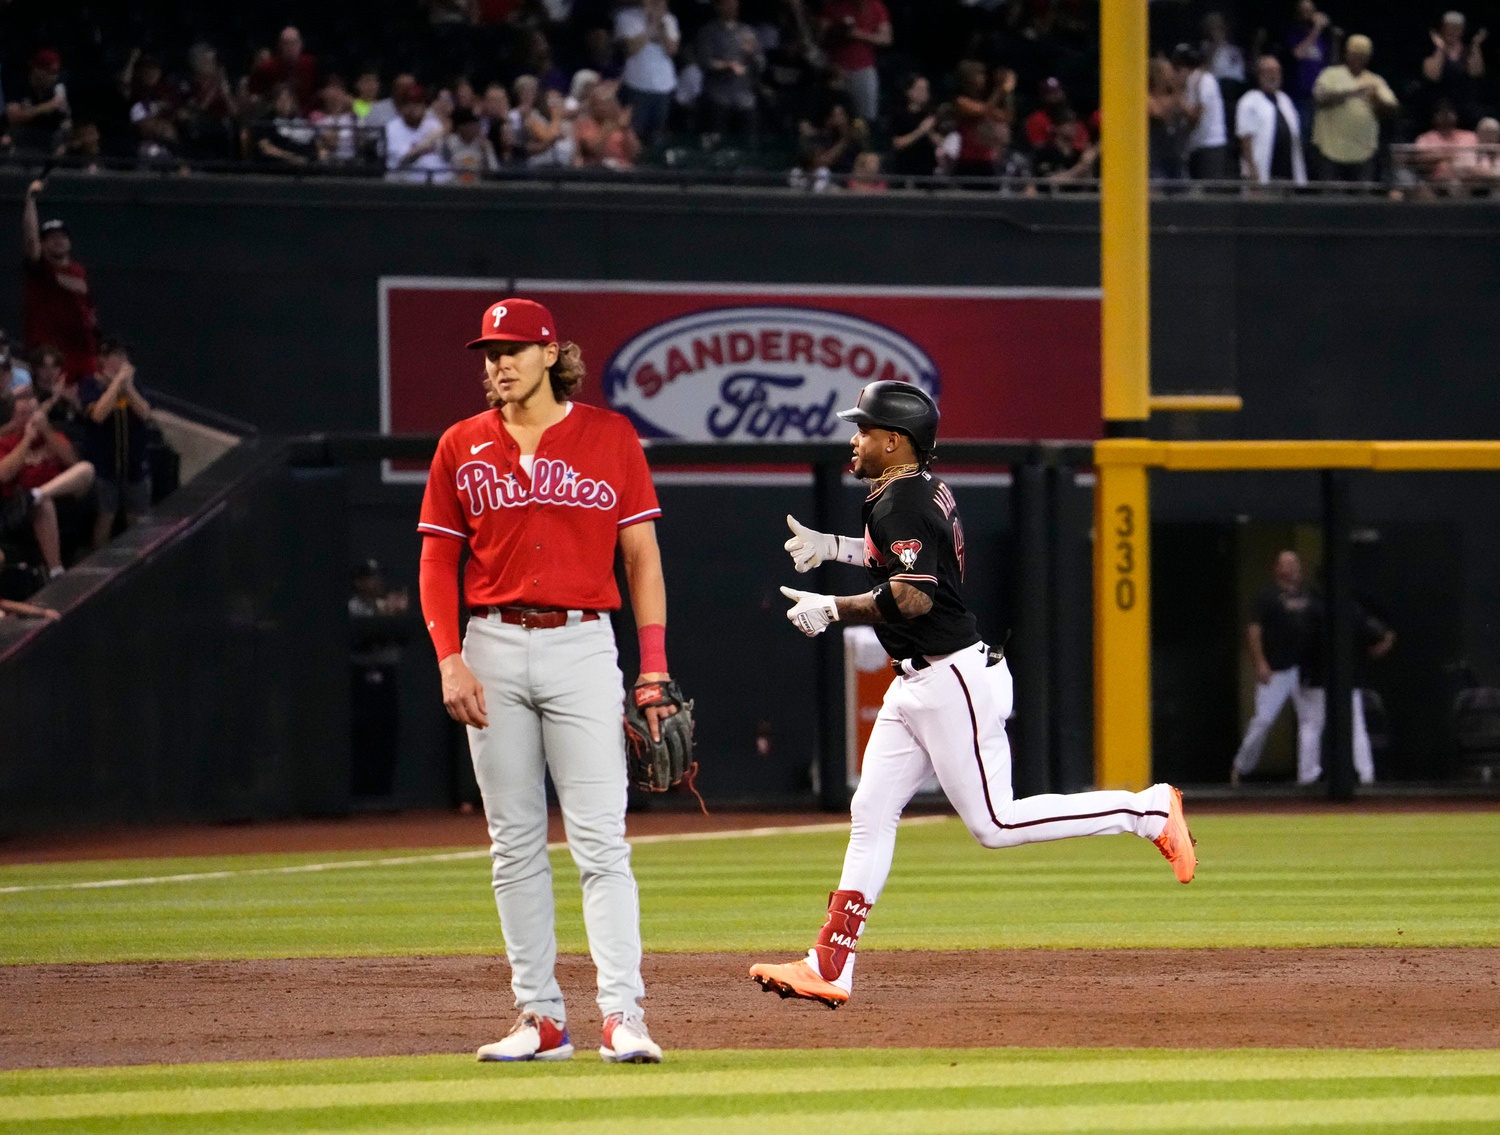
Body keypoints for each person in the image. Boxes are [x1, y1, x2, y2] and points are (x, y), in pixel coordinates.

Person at [748, 381, 1195, 1009]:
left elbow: (915, 594)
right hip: (919, 680)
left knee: (996, 823)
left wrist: (834, 607)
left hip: (952, 677)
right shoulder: (911, 490)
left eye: (865, 430)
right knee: (870, 816)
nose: (855, 439)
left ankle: (1146, 810)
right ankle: (830, 964)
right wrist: (833, 549)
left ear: (895, 441)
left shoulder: (900, 500)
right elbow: (904, 562)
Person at [417, 297, 677, 1063]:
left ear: (549, 354)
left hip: (582, 645)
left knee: (601, 840)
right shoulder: (460, 444)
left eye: (511, 350)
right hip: (490, 644)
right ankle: (540, 1018)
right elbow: (437, 561)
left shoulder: (610, 435)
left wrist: (653, 662)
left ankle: (623, 1013)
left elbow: (642, 561)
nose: (496, 363)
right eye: (487, 352)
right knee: (514, 844)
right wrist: (447, 656)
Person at [1229, 551, 1320, 786]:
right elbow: (1254, 630)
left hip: (1305, 670)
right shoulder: (1267, 596)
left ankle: (1308, 775)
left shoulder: (1308, 596)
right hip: (1277, 669)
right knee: (1263, 721)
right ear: (1276, 568)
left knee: (1310, 722)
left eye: (1294, 563)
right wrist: (1260, 662)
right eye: (1286, 564)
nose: (1291, 568)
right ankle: (1241, 767)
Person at [0, 385, 96, 578]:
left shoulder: (54, 436)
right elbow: (4, 474)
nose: (30, 419)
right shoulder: (6, 441)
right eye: (23, 414)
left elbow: (71, 462)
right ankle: (55, 570)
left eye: (33, 413)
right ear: (14, 419)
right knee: (43, 505)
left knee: (87, 469)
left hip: (58, 496)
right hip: (19, 507)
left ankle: (38, 494)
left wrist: (47, 432)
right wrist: (27, 439)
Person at [1297, 599, 1393, 786]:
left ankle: (1307, 775)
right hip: (1346, 678)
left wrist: (1303, 674)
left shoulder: (1312, 608)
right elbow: (1378, 636)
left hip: (1319, 678)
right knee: (1356, 728)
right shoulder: (1352, 608)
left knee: (1312, 727)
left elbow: (1302, 643)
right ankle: (1366, 774)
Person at [75, 339, 153, 548]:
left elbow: (145, 413)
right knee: (105, 517)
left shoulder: (133, 385)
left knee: (136, 517)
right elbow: (98, 414)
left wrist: (126, 386)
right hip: (104, 465)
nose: (123, 361)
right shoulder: (90, 384)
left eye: (125, 356)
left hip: (133, 463)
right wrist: (117, 384)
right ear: (103, 358)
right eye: (117, 355)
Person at [22, 180, 99, 382]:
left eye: (62, 236)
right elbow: (30, 241)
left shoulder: (79, 271)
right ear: (43, 244)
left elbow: (90, 310)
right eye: (51, 237)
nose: (58, 240)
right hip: (51, 356)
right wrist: (30, 201)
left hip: (83, 352)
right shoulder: (41, 268)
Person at [349, 559, 412, 799]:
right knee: (362, 735)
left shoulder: (385, 605)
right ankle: (361, 794)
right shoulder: (353, 607)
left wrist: (395, 617)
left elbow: (402, 639)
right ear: (358, 582)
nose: (374, 582)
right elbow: (362, 639)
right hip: (360, 676)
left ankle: (383, 793)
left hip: (386, 674)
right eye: (368, 577)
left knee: (386, 733)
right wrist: (385, 618)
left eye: (376, 577)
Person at [1311, 35, 1397, 183]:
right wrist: (1351, 92)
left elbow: (1392, 110)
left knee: (1362, 203)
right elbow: (1319, 98)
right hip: (1331, 151)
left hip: (1363, 153)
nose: (1358, 59)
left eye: (1363, 56)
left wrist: (1375, 98)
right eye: (1355, 55)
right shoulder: (1331, 74)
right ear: (1347, 55)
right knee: (1330, 201)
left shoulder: (1375, 80)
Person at [696, 0, 762, 143]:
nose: (732, 7)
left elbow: (760, 64)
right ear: (718, 6)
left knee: (748, 141)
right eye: (728, 4)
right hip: (718, 95)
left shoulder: (747, 31)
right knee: (715, 140)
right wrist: (728, 65)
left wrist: (752, 54)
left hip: (745, 96)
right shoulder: (709, 32)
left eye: (735, 4)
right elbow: (705, 61)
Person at [615, 0, 680, 147]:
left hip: (664, 85)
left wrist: (662, 27)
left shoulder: (670, 20)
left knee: (657, 135)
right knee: (634, 133)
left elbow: (672, 50)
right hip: (637, 84)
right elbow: (631, 49)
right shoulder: (627, 17)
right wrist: (651, 26)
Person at [1236, 55, 1306, 185]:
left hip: (1288, 174)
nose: (1273, 75)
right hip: (1262, 175)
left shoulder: (1285, 100)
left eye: (1276, 71)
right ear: (1259, 75)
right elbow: (1245, 140)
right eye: (1268, 71)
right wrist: (1252, 173)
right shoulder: (1249, 101)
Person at [819, 0, 891, 124]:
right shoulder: (834, 5)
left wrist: (859, 34)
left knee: (866, 119)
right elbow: (822, 36)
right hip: (836, 70)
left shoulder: (875, 5)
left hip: (863, 69)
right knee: (835, 117)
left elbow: (886, 39)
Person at [1173, 44, 1229, 180]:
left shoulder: (1204, 80)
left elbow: (1195, 116)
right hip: (1195, 147)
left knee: (1207, 194)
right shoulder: (1188, 84)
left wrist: (1177, 97)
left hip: (1210, 146)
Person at [1422, 11, 1486, 123]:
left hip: (1464, 104)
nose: (1452, 31)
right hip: (1437, 106)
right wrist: (1441, 50)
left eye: (1457, 28)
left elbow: (1476, 73)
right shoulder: (1430, 49)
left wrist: (1476, 46)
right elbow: (1433, 76)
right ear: (1442, 29)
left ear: (1462, 30)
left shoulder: (1467, 51)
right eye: (1449, 27)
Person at [6, 49, 71, 154]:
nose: (54, 77)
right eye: (51, 72)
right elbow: (12, 116)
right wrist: (46, 106)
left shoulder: (57, 89)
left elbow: (66, 121)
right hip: (21, 140)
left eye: (56, 72)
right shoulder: (19, 85)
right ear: (37, 69)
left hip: (48, 140)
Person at [385, 85, 453, 184]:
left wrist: (444, 141)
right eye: (410, 103)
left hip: (441, 184)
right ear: (402, 106)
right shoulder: (392, 128)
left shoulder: (432, 123)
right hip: (407, 186)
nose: (415, 107)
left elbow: (447, 158)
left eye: (419, 103)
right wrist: (427, 143)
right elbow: (404, 160)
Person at [248, 26, 320, 113]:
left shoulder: (311, 64)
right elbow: (254, 95)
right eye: (286, 43)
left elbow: (318, 93)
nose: (290, 47)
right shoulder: (267, 68)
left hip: (307, 117)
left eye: (294, 43)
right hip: (275, 116)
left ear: (301, 44)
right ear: (279, 46)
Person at [1413, 99, 1479, 188]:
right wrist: (1447, 157)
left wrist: (1442, 157)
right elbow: (1422, 161)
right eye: (1441, 112)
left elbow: (1476, 159)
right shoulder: (1424, 138)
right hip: (1435, 183)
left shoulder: (1470, 136)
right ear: (1434, 116)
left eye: (1449, 112)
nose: (1446, 115)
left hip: (1469, 183)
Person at [887, 73, 939, 179]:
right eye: (920, 89)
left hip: (927, 171)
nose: (924, 93)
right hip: (905, 170)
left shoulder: (932, 115)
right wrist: (921, 131)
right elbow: (897, 143)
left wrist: (929, 131)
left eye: (926, 89)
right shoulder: (898, 114)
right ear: (909, 91)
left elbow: (942, 144)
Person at [443, 106, 501, 181]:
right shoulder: (449, 142)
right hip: (455, 186)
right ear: (461, 127)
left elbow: (493, 169)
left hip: (477, 187)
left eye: (476, 125)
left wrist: (485, 152)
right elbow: (443, 169)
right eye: (471, 125)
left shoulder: (484, 144)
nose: (475, 128)